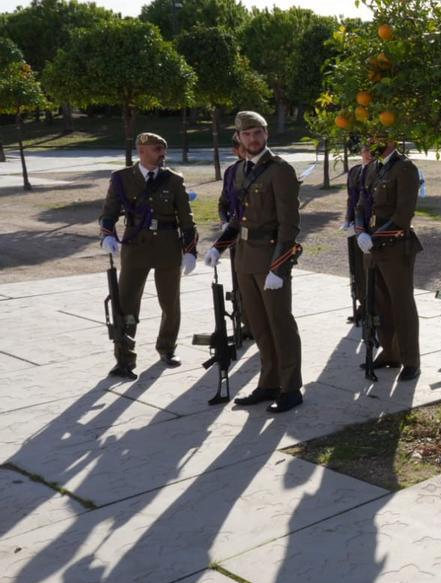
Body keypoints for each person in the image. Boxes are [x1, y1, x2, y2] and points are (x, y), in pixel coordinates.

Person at [204, 110, 303, 413]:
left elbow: (289, 225)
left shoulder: (280, 170)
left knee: (280, 323)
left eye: (257, 132)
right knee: (258, 325)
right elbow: (235, 217)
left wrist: (280, 266)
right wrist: (219, 247)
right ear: (239, 138)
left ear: (266, 134)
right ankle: (269, 381)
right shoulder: (237, 171)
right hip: (245, 257)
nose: (253, 138)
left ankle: (290, 388)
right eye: (246, 134)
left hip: (270, 256)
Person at [99, 132, 196, 380]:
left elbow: (186, 218)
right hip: (136, 246)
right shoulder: (121, 178)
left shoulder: (173, 180)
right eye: (156, 149)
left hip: (167, 246)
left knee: (170, 303)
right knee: (126, 302)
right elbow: (109, 211)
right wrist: (107, 234)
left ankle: (167, 348)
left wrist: (190, 250)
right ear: (142, 151)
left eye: (163, 149)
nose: (162, 153)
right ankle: (124, 359)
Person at [354, 136, 423, 380]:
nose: (373, 141)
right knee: (380, 304)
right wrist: (361, 231)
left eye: (379, 137)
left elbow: (404, 214)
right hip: (372, 247)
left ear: (392, 139)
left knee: (401, 303)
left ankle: (410, 359)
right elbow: (361, 206)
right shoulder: (373, 167)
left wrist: (375, 237)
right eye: (370, 137)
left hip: (395, 246)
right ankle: (390, 353)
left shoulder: (405, 169)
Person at [341, 139, 374, 322]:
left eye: (371, 150)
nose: (367, 154)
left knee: (369, 267)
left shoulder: (377, 172)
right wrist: (348, 220)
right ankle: (363, 303)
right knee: (357, 269)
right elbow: (351, 198)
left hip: (370, 227)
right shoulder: (355, 171)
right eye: (365, 150)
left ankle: (373, 306)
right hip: (355, 225)